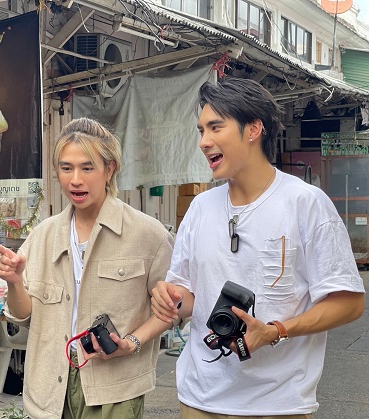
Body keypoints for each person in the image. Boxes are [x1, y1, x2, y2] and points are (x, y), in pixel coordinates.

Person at [150, 78, 365, 418]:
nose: (204, 142)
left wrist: (276, 331)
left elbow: (349, 303)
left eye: (215, 128)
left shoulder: (305, 203)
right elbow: (188, 298)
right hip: (200, 399)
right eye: (201, 131)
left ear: (253, 129)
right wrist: (170, 298)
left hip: (279, 403)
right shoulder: (200, 208)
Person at [0, 117, 174, 419]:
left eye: (87, 168)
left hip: (114, 388)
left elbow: (172, 311)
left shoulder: (148, 235)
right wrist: (14, 280)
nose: (75, 180)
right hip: (50, 386)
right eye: (66, 168)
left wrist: (132, 343)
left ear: (109, 169)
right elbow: (24, 316)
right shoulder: (43, 236)